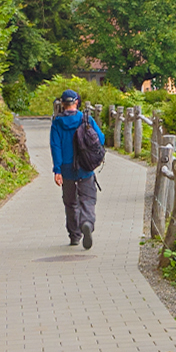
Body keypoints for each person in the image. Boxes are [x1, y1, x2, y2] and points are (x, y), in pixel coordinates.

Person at [50, 89, 106, 248]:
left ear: (62, 104)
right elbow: (100, 138)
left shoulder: (57, 123)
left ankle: (75, 235)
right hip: (85, 166)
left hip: (66, 169)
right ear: (77, 102)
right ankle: (87, 222)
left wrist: (57, 170)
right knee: (87, 199)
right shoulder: (86, 119)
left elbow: (55, 147)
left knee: (70, 202)